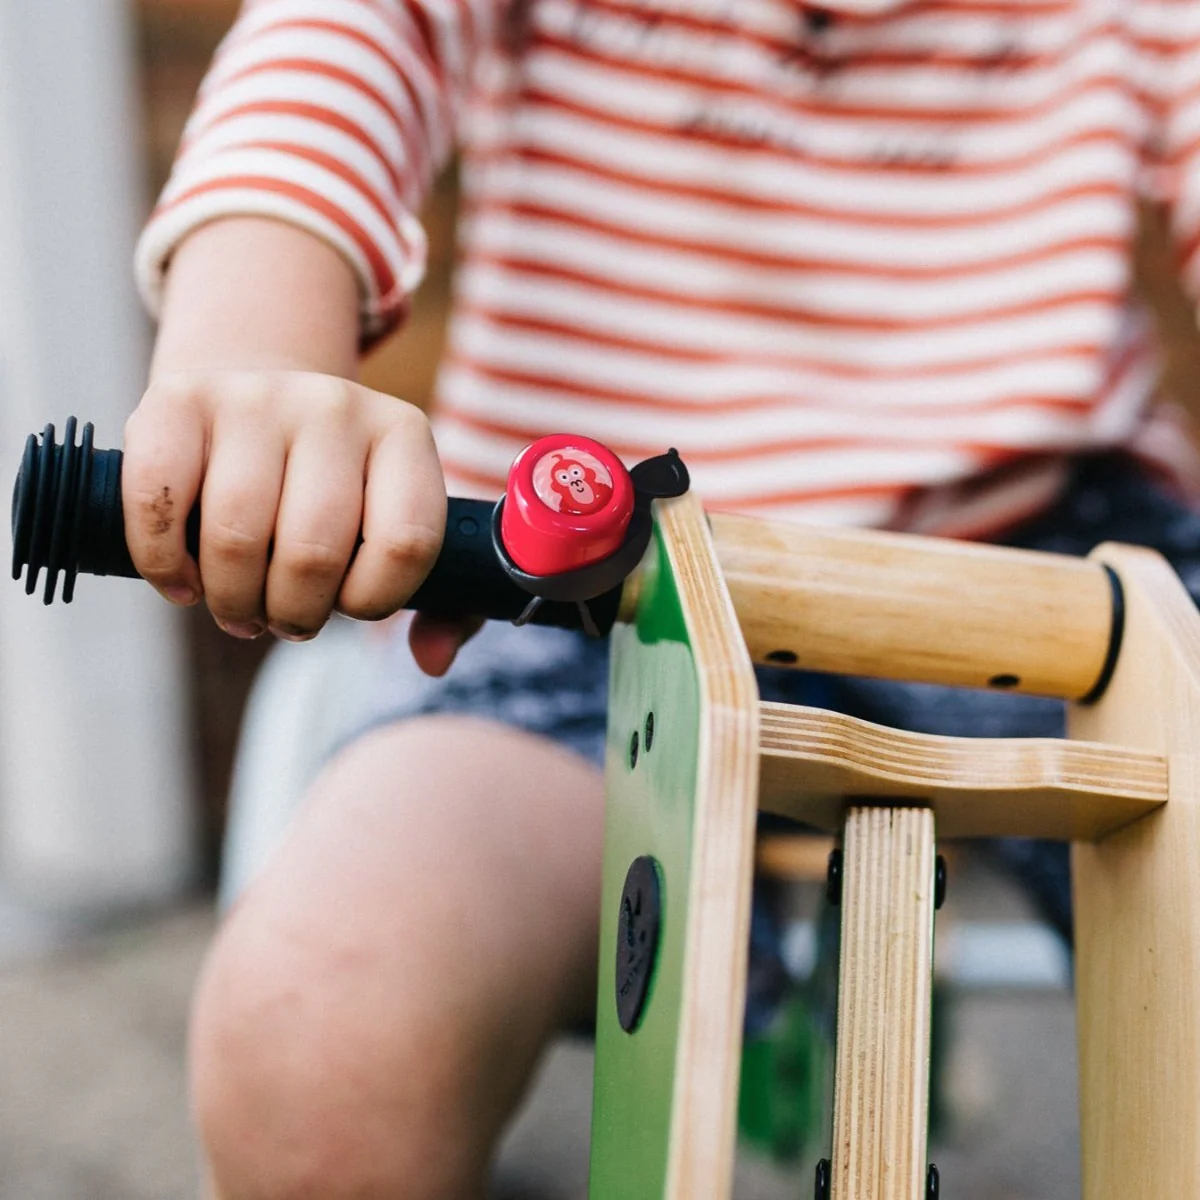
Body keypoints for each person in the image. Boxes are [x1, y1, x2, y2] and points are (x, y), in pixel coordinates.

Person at [126, 1, 1200, 1195]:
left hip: (1038, 567)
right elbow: (342, 42)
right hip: (587, 586)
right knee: (320, 1024)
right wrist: (255, 350)